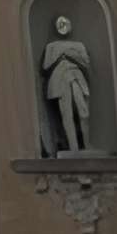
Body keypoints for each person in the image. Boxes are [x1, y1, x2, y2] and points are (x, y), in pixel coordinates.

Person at [43, 15, 93, 153]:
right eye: (60, 24)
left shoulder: (78, 45)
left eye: (65, 23)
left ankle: (87, 145)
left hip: (76, 76)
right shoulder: (51, 46)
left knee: (84, 113)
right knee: (67, 115)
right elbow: (46, 65)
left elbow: (86, 62)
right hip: (60, 79)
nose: (63, 27)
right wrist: (59, 56)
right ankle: (74, 148)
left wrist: (71, 55)